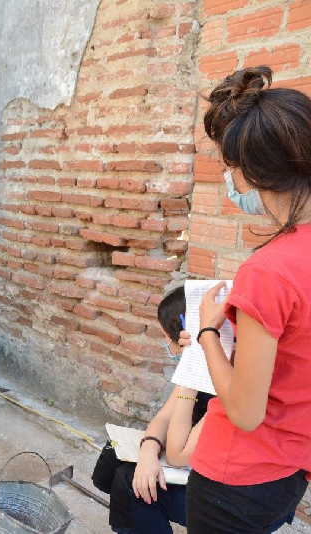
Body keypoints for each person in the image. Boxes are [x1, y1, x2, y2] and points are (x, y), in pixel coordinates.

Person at [191, 65, 311, 533]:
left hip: (237, 476)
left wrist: (206, 333)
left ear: (249, 172)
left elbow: (244, 411)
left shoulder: (268, 270)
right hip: (292, 465)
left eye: (228, 167)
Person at [101, 286, 213, 533]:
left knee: (129, 484)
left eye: (166, 336)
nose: (168, 343)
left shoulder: (227, 378)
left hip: (232, 499)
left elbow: (177, 456)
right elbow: (164, 417)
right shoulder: (207, 367)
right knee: (112, 459)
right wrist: (148, 453)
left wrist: (191, 373)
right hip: (197, 462)